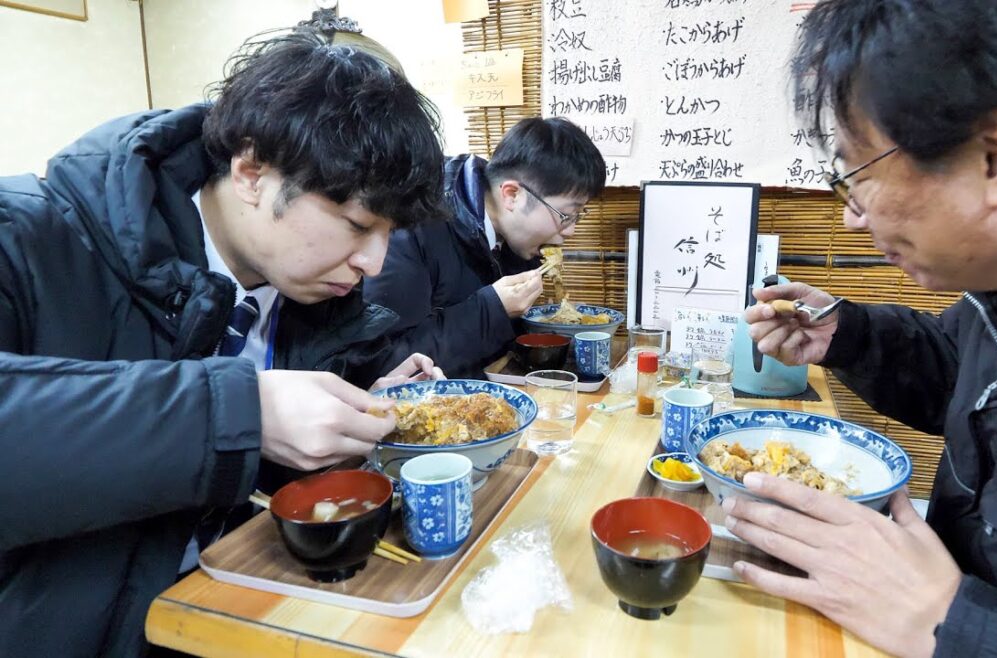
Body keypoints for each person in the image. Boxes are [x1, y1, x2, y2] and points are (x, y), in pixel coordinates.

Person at [733, 1, 997, 656]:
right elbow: (984, 386)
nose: (854, 218)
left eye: (860, 175)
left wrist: (957, 625)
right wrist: (845, 335)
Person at [0, 28, 448, 657]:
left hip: (235, 615)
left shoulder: (306, 298)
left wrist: (353, 413)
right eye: (357, 224)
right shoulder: (24, 236)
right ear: (251, 171)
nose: (375, 263)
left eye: (389, 233)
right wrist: (244, 412)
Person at [364, 117, 607, 378]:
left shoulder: (513, 239)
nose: (570, 231)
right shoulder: (414, 225)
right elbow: (383, 365)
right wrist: (493, 308)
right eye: (566, 215)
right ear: (512, 195)